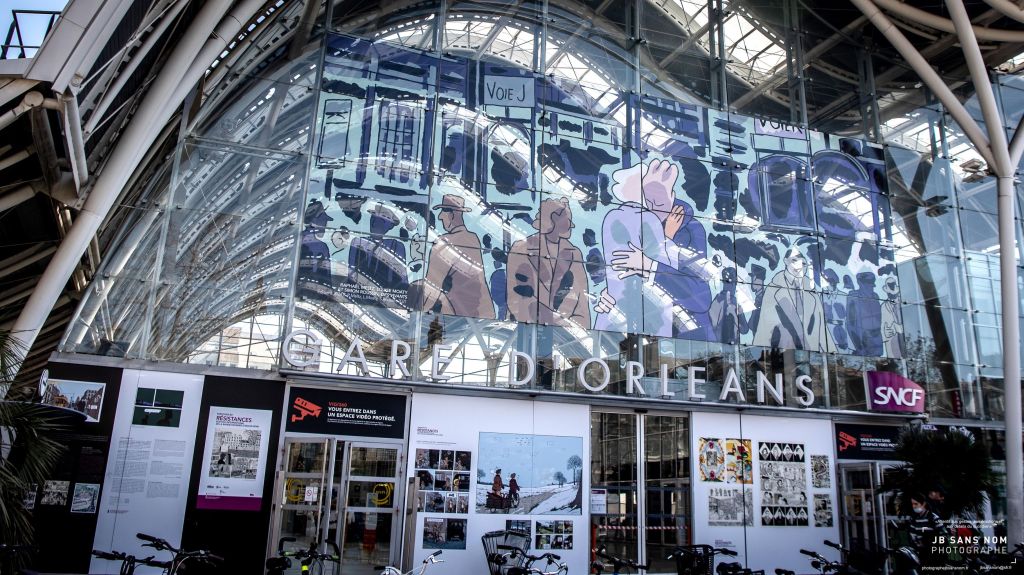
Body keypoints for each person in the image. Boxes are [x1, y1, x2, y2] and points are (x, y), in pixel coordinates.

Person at [506, 197, 590, 329]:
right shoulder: (522, 248)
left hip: (565, 331)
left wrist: (581, 329)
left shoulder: (574, 253)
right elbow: (515, 294)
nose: (571, 225)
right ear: (554, 218)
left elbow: (582, 298)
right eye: (567, 219)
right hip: (527, 326)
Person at [409, 194, 495, 319]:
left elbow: (432, 286)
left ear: (452, 214)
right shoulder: (473, 238)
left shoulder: (445, 242)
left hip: (457, 315)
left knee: (415, 287)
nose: (439, 217)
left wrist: (415, 317)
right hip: (483, 313)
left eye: (442, 212)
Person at [751, 244, 827, 351]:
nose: (799, 266)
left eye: (803, 263)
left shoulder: (811, 289)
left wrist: (833, 354)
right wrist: (759, 356)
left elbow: (823, 330)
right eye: (794, 260)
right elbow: (764, 329)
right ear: (786, 261)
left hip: (810, 353)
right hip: (783, 353)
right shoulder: (774, 288)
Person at [907, 492, 944, 566]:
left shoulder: (933, 518)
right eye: (912, 504)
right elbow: (912, 536)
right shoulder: (914, 519)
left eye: (916, 504)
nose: (914, 506)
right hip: (920, 554)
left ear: (923, 504)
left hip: (933, 555)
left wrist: (930, 543)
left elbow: (943, 535)